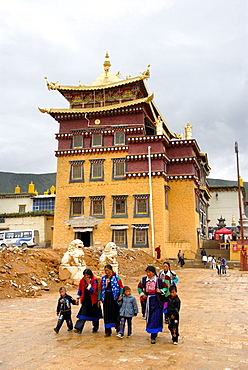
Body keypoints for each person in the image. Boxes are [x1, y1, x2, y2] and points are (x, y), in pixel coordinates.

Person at [138, 266, 168, 344]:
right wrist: (142, 294)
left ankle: (153, 335)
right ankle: (153, 332)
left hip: (157, 301)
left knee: (155, 318)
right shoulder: (144, 280)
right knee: (150, 317)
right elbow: (139, 287)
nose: (148, 274)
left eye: (149, 272)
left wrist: (160, 291)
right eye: (147, 272)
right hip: (148, 301)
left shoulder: (159, 281)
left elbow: (166, 287)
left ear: (153, 273)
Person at [98, 264, 124, 337]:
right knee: (106, 314)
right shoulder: (103, 278)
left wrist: (120, 295)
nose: (106, 272)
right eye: (105, 271)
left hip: (114, 298)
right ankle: (108, 330)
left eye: (108, 270)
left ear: (111, 270)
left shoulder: (116, 278)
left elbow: (121, 287)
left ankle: (118, 327)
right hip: (106, 297)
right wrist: (99, 299)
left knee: (115, 313)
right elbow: (100, 288)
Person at [74, 268, 102, 334]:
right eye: (85, 275)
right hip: (85, 300)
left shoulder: (94, 281)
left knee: (94, 315)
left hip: (93, 301)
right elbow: (80, 289)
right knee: (83, 314)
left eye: (87, 275)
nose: (86, 277)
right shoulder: (82, 281)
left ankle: (95, 328)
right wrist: (78, 298)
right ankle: (78, 328)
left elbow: (93, 290)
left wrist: (89, 284)